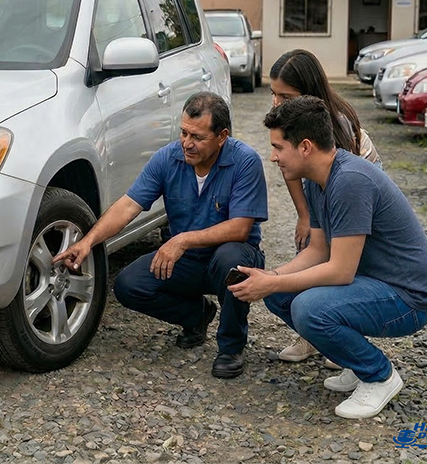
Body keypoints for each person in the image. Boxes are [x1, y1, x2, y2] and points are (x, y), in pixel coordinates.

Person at [229, 96, 427, 419]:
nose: (272, 157)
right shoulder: (319, 180)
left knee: (307, 306)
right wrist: (271, 278)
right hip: (373, 283)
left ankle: (379, 375)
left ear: (305, 147)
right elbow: (318, 250)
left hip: (408, 296)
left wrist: (275, 282)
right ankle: (356, 365)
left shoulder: (350, 181)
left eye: (278, 147)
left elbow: (340, 271)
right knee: (279, 294)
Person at [54, 92, 268, 379]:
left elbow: (240, 228)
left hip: (232, 255)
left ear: (222, 136)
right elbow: (128, 206)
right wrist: (87, 242)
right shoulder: (167, 158)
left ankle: (230, 347)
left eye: (197, 137)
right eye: (184, 133)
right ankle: (197, 316)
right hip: (188, 260)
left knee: (231, 260)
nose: (187, 143)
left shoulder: (245, 161)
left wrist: (181, 240)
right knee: (129, 285)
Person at [267, 49, 381, 366]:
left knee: (342, 263)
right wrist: (305, 215)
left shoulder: (340, 129)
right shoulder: (285, 116)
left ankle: (345, 336)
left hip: (354, 202)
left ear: (310, 93)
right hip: (322, 195)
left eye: (285, 95)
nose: (276, 102)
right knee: (313, 254)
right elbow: (289, 167)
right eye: (273, 93)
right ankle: (315, 335)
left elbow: (350, 192)